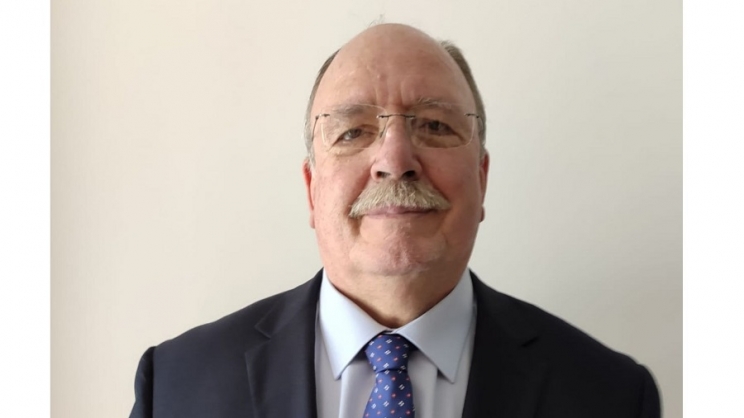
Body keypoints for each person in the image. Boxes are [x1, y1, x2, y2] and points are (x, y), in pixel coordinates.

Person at [129, 23, 660, 418]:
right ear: (312, 190)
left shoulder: (611, 395)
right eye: (353, 131)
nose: (395, 158)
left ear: (481, 178)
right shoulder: (176, 387)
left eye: (434, 125)